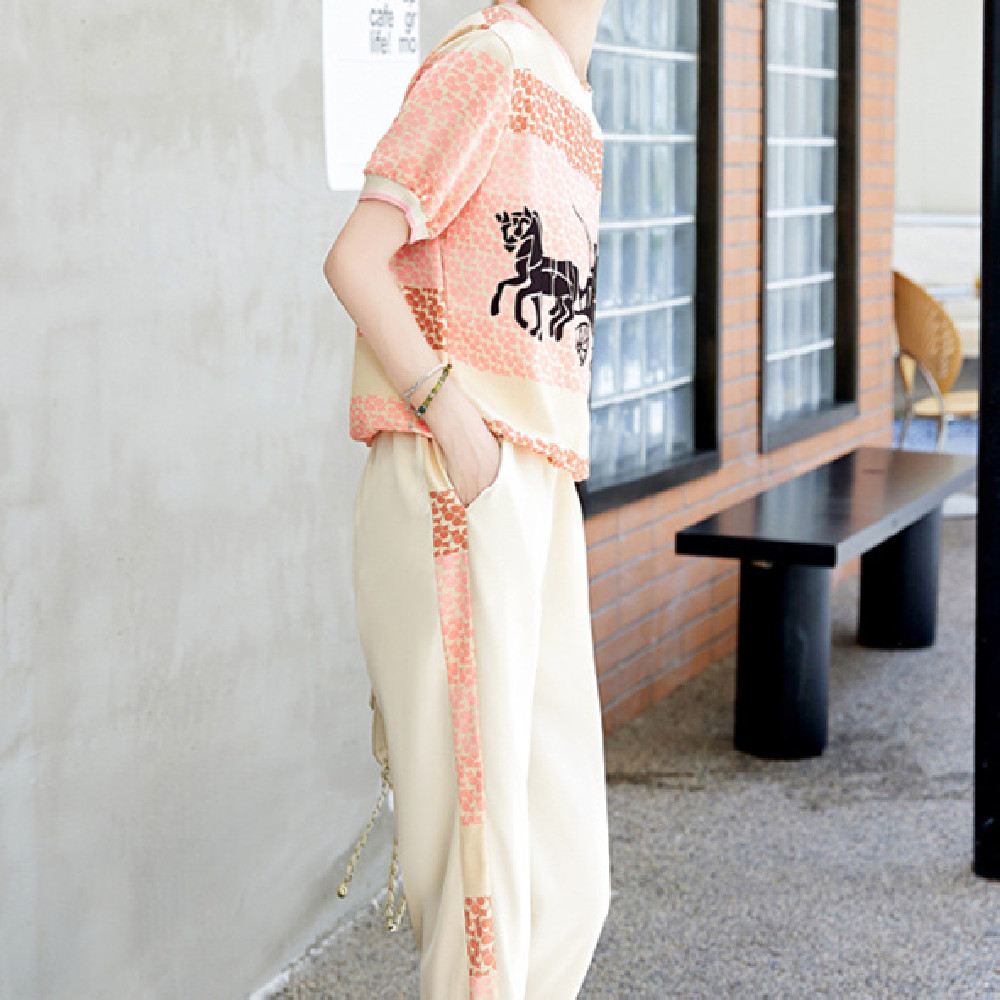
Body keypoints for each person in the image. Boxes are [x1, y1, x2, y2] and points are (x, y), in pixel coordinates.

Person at [324, 2, 610, 997]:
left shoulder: (570, 97)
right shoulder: (487, 62)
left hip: (537, 477)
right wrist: (452, 417)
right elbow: (355, 256)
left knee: (568, 884)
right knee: (481, 892)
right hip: (463, 474)